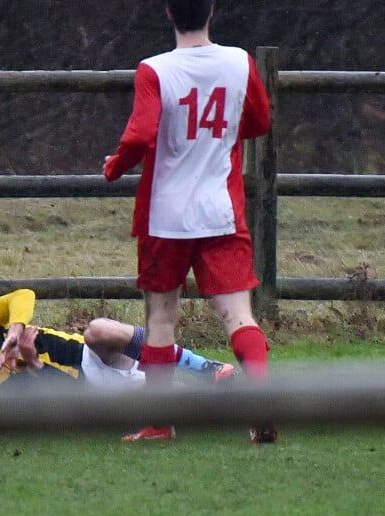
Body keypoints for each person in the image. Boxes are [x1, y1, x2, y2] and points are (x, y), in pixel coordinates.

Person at [103, 0, 276, 443]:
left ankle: (159, 422)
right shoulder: (239, 62)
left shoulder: (154, 70)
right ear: (211, 12)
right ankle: (261, 407)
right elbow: (259, 121)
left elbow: (141, 134)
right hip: (220, 210)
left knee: (161, 319)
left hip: (166, 216)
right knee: (239, 317)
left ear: (168, 13)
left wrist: (115, 165)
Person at [0, 288, 235, 392]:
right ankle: (232, 402)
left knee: (97, 330)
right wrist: (32, 363)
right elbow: (63, 400)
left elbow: (24, 295)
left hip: (92, 355)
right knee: (180, 398)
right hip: (90, 392)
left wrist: (15, 328)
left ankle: (204, 366)